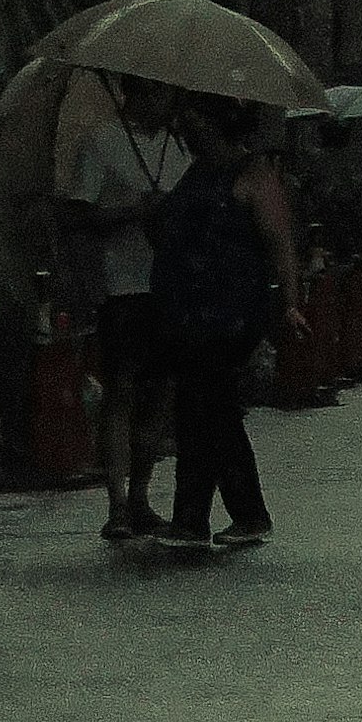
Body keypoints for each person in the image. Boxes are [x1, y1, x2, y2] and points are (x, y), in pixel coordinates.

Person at [147, 99, 303, 550]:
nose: (186, 130)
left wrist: (291, 303)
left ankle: (204, 517)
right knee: (205, 409)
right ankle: (228, 514)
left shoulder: (253, 175)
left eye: (195, 120)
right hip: (188, 308)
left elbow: (280, 243)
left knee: (207, 405)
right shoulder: (192, 174)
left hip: (231, 310)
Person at [65, 74, 190, 544]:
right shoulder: (101, 143)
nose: (162, 101)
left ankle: (141, 493)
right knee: (121, 391)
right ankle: (116, 501)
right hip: (121, 287)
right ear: (133, 92)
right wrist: (131, 210)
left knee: (160, 394)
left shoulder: (179, 146)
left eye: (167, 91)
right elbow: (78, 214)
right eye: (154, 91)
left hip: (169, 285)